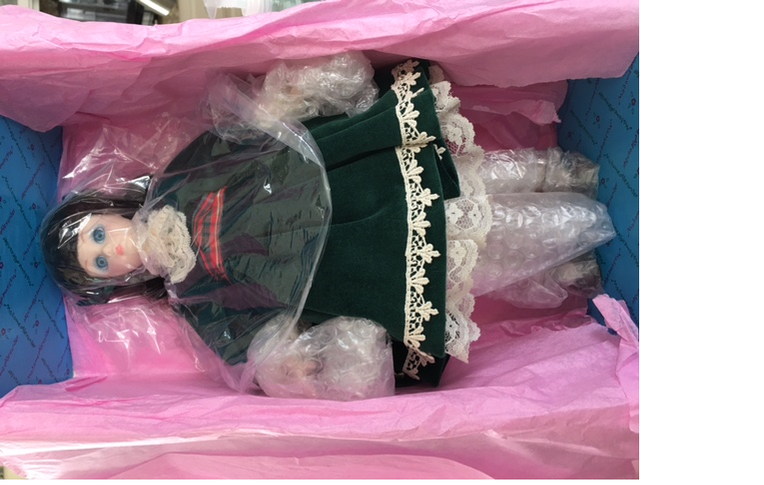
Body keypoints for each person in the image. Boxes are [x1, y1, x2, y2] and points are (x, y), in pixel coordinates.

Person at [41, 55, 615, 399]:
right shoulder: (191, 297)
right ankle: (559, 261)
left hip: (338, 183)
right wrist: (281, 359)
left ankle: (554, 173)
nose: (113, 249)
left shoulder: (178, 177)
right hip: (345, 265)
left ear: (105, 209)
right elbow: (249, 338)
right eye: (101, 263)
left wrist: (277, 105)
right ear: (114, 282)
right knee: (458, 260)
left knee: (460, 185)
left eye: (98, 235)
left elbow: (238, 140)